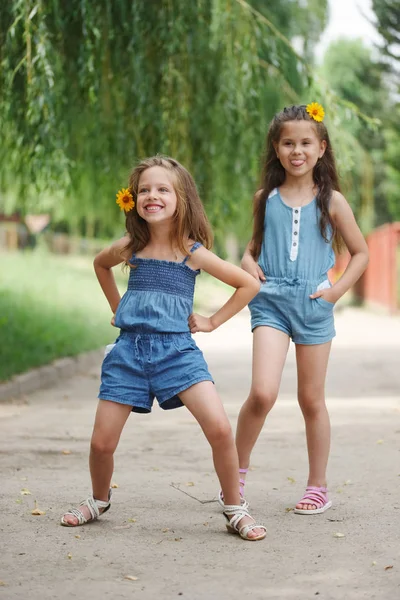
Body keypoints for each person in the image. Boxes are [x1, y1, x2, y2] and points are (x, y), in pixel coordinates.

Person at [60, 155, 266, 540]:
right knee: (101, 443)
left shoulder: (192, 252)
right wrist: (116, 306)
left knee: (220, 429)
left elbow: (248, 284)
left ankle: (235, 505)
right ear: (133, 200)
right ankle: (98, 500)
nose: (151, 196)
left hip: (177, 353)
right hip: (128, 353)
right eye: (143, 190)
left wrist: (211, 321)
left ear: (181, 198)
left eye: (162, 189)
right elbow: (99, 264)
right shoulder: (130, 247)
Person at [232, 103, 369, 514]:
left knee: (312, 400)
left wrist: (336, 291)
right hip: (270, 303)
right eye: (288, 142)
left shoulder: (334, 202)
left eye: (306, 143)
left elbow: (361, 253)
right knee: (261, 393)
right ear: (276, 148)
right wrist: (247, 264)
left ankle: (317, 487)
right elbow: (251, 249)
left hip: (313, 304)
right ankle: (233, 475)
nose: (297, 150)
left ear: (321, 148)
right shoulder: (265, 199)